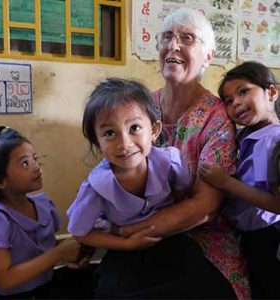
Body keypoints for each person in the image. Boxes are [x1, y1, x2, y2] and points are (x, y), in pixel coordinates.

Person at [112, 8, 250, 299]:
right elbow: (112, 172)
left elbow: (205, 206)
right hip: (144, 238)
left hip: (202, 244)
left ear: (208, 56)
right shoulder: (140, 107)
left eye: (187, 38)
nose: (173, 46)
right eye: (167, 37)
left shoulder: (216, 119)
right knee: (107, 286)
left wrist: (126, 233)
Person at [67, 77, 236, 298]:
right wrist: (126, 244)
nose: (124, 143)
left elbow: (181, 195)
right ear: (97, 141)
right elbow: (81, 232)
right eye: (110, 133)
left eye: (134, 128)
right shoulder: (97, 187)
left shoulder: (169, 162)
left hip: (170, 240)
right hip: (124, 251)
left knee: (212, 288)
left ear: (155, 130)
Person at [0, 126, 95, 299]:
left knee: (97, 278)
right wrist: (57, 254)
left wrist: (72, 255)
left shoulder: (44, 204)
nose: (36, 167)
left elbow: (41, 248)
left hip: (43, 287)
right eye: (25, 163)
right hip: (11, 296)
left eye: (35, 159)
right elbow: (5, 279)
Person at [198, 61, 280, 299]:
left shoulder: (272, 140)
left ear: (272, 92)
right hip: (251, 233)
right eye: (228, 100)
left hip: (269, 234)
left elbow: (277, 203)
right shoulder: (248, 134)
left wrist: (224, 182)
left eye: (244, 91)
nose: (236, 103)